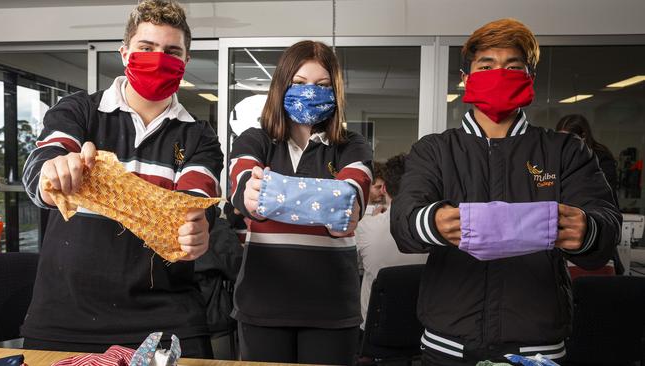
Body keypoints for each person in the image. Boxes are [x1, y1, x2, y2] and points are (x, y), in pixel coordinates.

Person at [391, 18, 621, 365]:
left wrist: (588, 230)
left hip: (536, 347)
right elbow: (404, 223)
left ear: (528, 78)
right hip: (447, 346)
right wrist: (434, 221)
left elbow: (606, 226)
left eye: (513, 66)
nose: (500, 72)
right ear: (466, 77)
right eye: (486, 65)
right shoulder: (435, 150)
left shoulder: (565, 150)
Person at [21, 0, 222, 358]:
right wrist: (54, 172)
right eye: (146, 48)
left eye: (172, 51)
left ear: (186, 62)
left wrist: (196, 227)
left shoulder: (199, 135)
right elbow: (44, 160)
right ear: (125, 52)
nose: (159, 58)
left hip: (167, 319)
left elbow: (196, 199)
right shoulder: (79, 110)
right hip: (65, 316)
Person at [229, 40, 373, 365]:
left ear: (335, 91)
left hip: (331, 310)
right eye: (299, 83)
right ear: (282, 85)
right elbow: (244, 194)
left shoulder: (353, 145)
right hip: (262, 306)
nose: (311, 92)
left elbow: (348, 207)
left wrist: (272, 195)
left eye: (322, 85)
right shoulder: (255, 139)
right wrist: (326, 200)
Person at [356, 153, 428, 330]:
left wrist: (369, 221)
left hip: (374, 332)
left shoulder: (365, 227)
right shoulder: (434, 231)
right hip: (421, 330)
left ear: (384, 189)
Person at [557, 114, 625, 275]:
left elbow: (603, 201)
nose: (565, 147)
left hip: (590, 222)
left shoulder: (601, 158)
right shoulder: (557, 156)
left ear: (583, 136)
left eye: (569, 140)